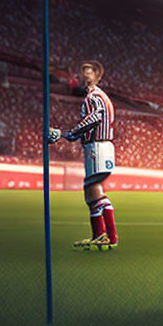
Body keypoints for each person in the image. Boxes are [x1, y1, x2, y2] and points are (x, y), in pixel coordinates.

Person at [48, 60, 118, 250]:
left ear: (97, 75)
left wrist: (72, 132)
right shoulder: (100, 96)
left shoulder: (94, 97)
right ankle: (103, 236)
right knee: (91, 191)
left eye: (89, 71)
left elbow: (96, 116)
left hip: (97, 147)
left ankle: (107, 235)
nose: (85, 75)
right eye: (83, 71)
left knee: (92, 187)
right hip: (102, 147)